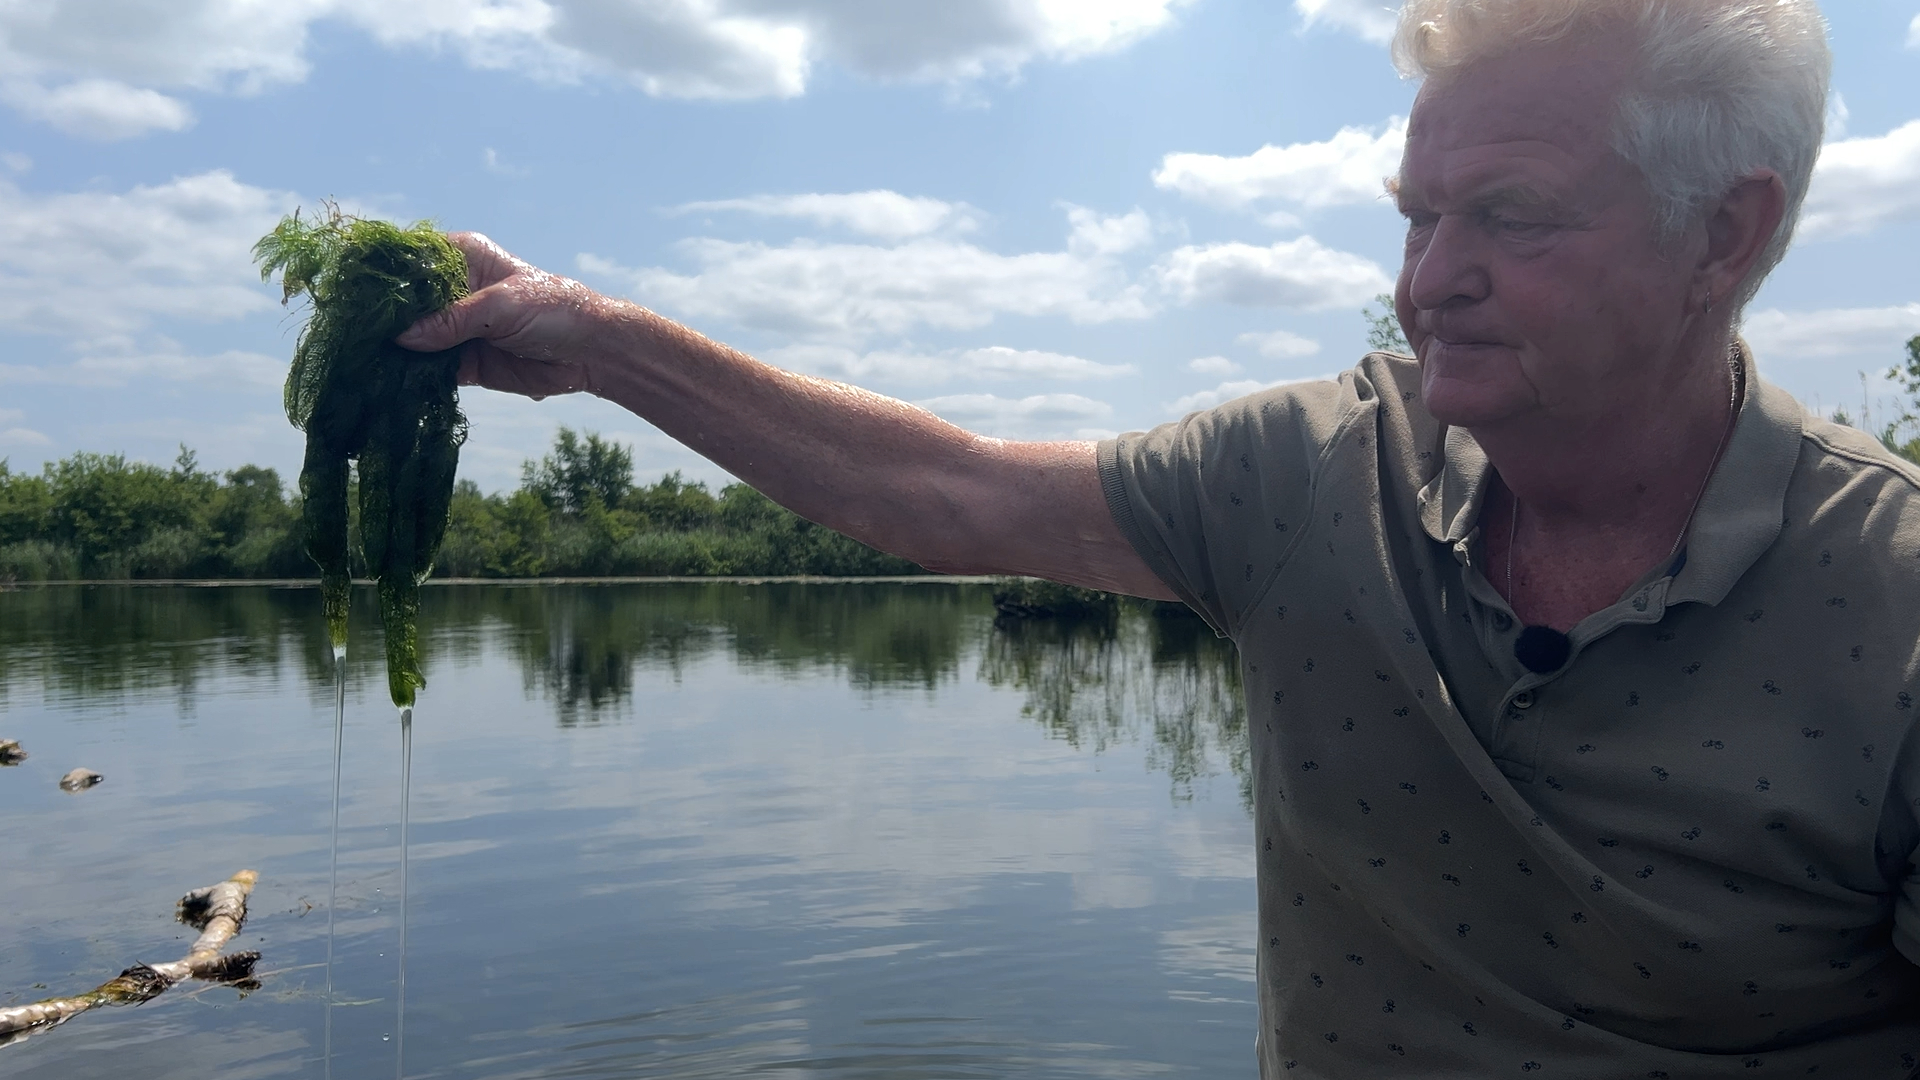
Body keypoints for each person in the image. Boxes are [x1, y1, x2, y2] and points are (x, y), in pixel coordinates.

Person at [400, 0, 1920, 1074]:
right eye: (1416, 216)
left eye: (1509, 220)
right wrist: (595, 342)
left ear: (1723, 234)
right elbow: (961, 494)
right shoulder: (1315, 471)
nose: (1428, 282)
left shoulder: (1898, 604)